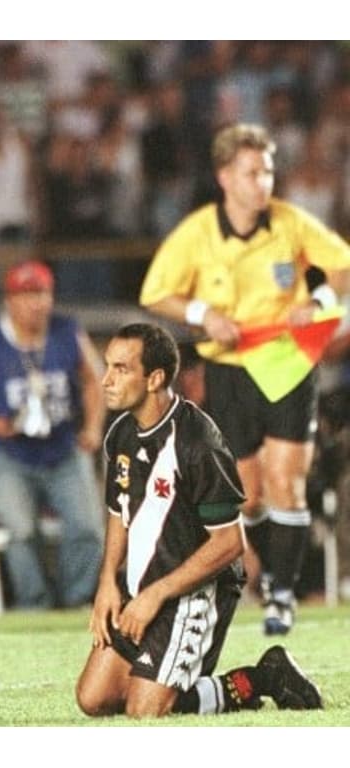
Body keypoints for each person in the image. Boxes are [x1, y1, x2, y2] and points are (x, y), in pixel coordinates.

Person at [140, 122, 350, 635]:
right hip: (229, 369)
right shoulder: (197, 234)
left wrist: (317, 300)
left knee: (288, 483)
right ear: (225, 177)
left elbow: (343, 268)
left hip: (287, 364)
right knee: (251, 497)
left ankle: (282, 592)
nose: (264, 182)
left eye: (269, 171)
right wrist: (202, 314)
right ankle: (273, 577)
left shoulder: (290, 224)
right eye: (253, 173)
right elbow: (155, 293)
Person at [76, 322, 323, 718]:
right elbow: (118, 513)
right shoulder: (121, 433)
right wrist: (108, 583)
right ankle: (171, 676)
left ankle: (261, 679)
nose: (106, 380)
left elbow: (229, 543)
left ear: (155, 378)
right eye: (108, 366)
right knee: (93, 699)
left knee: (148, 711)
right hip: (141, 587)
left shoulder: (197, 442)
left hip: (194, 593)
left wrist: (155, 596)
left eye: (121, 369)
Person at [0, 260, 105, 609]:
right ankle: (35, 602)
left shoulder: (67, 331)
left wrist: (93, 427)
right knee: (21, 531)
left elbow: (94, 380)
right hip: (10, 452)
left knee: (88, 527)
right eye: (26, 296)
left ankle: (76, 598)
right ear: (9, 301)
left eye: (41, 294)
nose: (35, 303)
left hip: (62, 446)